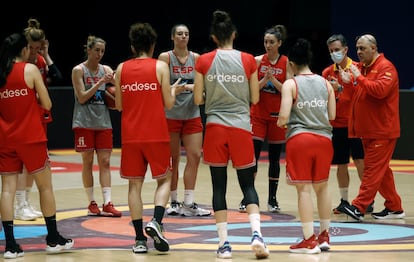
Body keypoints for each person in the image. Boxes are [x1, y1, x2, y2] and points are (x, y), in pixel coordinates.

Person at [193, 10, 270, 259]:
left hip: (215, 127)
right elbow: (255, 98)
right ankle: (256, 234)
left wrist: (214, 95)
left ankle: (224, 245)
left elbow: (197, 99)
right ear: (234, 35)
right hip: (240, 127)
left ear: (214, 37)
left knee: (219, 187)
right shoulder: (248, 60)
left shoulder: (203, 61)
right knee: (248, 184)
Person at [0, 32, 73, 259]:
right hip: (31, 137)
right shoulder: (29, 70)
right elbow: (48, 103)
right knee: (45, 187)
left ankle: (10, 245)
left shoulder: (0, 74)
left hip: (5, 138)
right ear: (23, 50)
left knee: (7, 190)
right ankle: (52, 239)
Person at [113, 22, 178, 253]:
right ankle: (157, 221)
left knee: (134, 186)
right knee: (164, 179)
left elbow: (118, 105)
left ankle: (139, 240)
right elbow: (169, 104)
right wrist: (173, 92)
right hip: (156, 134)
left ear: (132, 46)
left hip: (131, 136)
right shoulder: (160, 67)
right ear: (152, 45)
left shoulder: (120, 69)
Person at [277, 38, 336, 254]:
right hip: (324, 140)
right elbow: (332, 115)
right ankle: (324, 235)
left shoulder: (290, 84)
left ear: (291, 63)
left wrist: (281, 121)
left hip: (301, 139)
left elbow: (283, 116)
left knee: (304, 189)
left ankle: (309, 239)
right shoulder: (325, 83)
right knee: (323, 187)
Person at [339, 34, 405, 221]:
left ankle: (359, 207)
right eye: (357, 48)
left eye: (363, 48)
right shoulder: (362, 68)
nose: (358, 52)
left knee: (372, 171)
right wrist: (348, 82)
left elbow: (379, 91)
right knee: (381, 171)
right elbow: (359, 93)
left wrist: (358, 77)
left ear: (374, 49)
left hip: (382, 130)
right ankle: (395, 207)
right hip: (368, 130)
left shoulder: (386, 67)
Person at [14, 18, 64, 221]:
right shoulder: (19, 64)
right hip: (23, 118)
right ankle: (19, 204)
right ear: (25, 46)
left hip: (39, 117)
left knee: (35, 164)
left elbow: (58, 77)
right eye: (33, 48)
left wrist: (46, 54)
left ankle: (25, 201)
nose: (35, 52)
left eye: (39, 47)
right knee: (21, 163)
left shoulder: (41, 61)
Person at [239, 24, 293, 213]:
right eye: (265, 42)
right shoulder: (256, 61)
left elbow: (290, 90)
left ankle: (272, 198)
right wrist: (263, 81)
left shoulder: (286, 62)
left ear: (279, 43)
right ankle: (248, 197)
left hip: (278, 117)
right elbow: (250, 90)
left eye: (271, 42)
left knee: (275, 159)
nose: (268, 45)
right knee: (251, 158)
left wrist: (274, 80)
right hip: (258, 116)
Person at [158, 24, 210, 217]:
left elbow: (201, 84)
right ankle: (173, 201)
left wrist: (191, 89)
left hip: (191, 114)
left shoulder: (196, 58)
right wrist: (175, 89)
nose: (183, 36)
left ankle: (189, 202)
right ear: (172, 37)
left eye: (186, 34)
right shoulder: (165, 57)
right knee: (172, 160)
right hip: (171, 114)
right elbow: (160, 83)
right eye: (179, 34)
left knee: (195, 155)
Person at [71, 35, 121, 217]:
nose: (100, 54)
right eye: (97, 50)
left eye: (102, 51)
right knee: (87, 162)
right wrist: (100, 83)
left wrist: (114, 83)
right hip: (84, 122)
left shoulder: (106, 69)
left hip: (103, 122)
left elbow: (120, 86)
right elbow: (82, 97)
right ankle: (91, 202)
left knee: (105, 162)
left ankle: (107, 202)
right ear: (89, 50)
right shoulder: (79, 70)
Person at [321, 34, 372, 214]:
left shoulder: (358, 68)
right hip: (337, 125)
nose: (334, 53)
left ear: (345, 50)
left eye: (337, 50)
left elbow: (364, 92)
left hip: (357, 124)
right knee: (341, 163)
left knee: (360, 161)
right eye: (331, 51)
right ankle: (344, 200)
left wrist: (345, 85)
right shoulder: (327, 73)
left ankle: (367, 200)